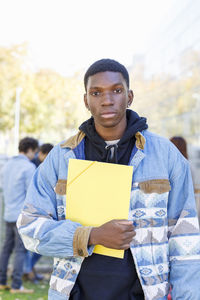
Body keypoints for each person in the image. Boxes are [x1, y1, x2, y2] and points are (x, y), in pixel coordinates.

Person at [17, 59, 200, 300]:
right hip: (76, 294)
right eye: (96, 92)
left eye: (116, 90)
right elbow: (29, 228)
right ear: (86, 100)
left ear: (130, 96)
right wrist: (92, 235)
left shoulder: (166, 156)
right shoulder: (61, 158)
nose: (107, 100)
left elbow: (184, 238)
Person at [0, 137, 38, 294]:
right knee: (20, 250)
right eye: (34, 152)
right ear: (29, 150)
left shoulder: (6, 165)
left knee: (6, 249)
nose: (34, 155)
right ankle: (16, 285)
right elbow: (32, 192)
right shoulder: (28, 167)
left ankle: (2, 282)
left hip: (8, 213)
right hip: (21, 216)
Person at [24, 143, 54, 282]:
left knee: (39, 247)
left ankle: (29, 270)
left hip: (44, 211)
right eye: (48, 156)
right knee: (30, 247)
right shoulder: (34, 166)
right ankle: (28, 272)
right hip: (31, 211)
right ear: (42, 153)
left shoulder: (45, 166)